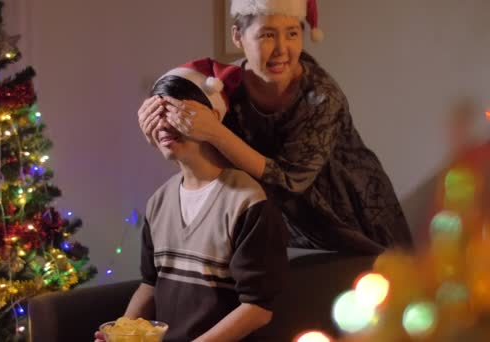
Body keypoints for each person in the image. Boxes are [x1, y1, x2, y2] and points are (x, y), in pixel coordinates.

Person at [137, 0, 413, 254]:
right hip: (281, 221)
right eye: (267, 35)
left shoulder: (321, 97)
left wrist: (214, 132)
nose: (282, 49)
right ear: (238, 36)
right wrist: (160, 131)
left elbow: (289, 181)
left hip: (351, 220)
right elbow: (210, 160)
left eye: (292, 33)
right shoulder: (221, 87)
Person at [95, 59, 288, 341]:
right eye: (156, 113)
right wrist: (122, 332)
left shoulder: (247, 202)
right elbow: (150, 284)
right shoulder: (159, 202)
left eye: (174, 111)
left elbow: (258, 308)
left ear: (209, 119)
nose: (163, 123)